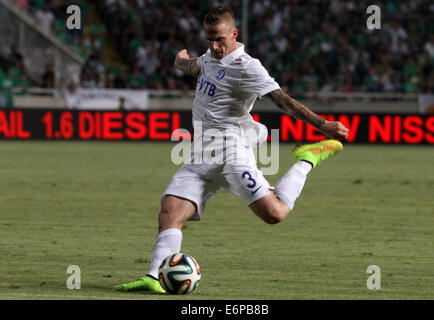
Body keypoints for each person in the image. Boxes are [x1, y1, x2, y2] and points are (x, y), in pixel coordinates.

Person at [114, 5, 349, 293]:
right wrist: (181, 60)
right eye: (209, 39)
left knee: (274, 214)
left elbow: (282, 100)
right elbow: (194, 66)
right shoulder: (210, 57)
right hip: (201, 154)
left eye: (220, 39)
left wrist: (322, 124)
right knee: (170, 211)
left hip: (231, 154)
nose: (214, 46)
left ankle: (307, 159)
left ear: (234, 33)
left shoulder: (247, 66)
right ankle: (155, 276)